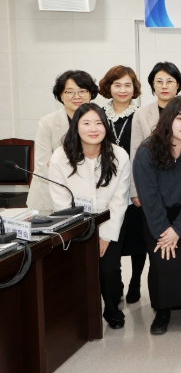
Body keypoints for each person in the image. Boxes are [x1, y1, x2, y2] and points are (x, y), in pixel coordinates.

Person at [49, 103, 130, 329]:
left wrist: (105, 236)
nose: (93, 129)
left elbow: (119, 200)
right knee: (78, 268)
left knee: (108, 268)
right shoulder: (60, 157)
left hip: (110, 220)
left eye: (98, 123)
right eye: (86, 123)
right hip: (75, 224)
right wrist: (78, 233)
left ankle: (112, 310)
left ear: (106, 126)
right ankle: (80, 311)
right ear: (76, 127)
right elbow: (61, 202)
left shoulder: (119, 155)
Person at [132, 96, 181, 336]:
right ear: (168, 120)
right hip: (157, 216)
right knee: (161, 259)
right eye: (180, 118)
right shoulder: (146, 151)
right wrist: (164, 231)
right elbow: (149, 197)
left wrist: (178, 229)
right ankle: (162, 311)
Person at [127, 61, 181, 303]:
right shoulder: (141, 113)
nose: (164, 86)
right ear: (152, 84)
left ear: (178, 85)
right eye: (159, 81)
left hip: (180, 189)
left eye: (170, 81)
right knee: (157, 249)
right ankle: (161, 302)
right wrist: (135, 189)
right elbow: (135, 153)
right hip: (151, 190)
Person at [98, 66, 143, 304]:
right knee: (111, 237)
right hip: (106, 186)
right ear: (109, 87)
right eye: (117, 85)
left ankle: (136, 281)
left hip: (134, 184)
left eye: (128, 85)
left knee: (137, 238)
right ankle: (117, 281)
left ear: (135, 89)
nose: (123, 90)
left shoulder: (141, 114)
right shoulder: (98, 115)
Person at [27, 70, 98, 211]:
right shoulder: (48, 122)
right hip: (49, 196)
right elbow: (43, 166)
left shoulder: (99, 121)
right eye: (69, 92)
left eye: (82, 91)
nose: (76, 96)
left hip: (89, 196)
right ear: (61, 95)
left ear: (90, 94)